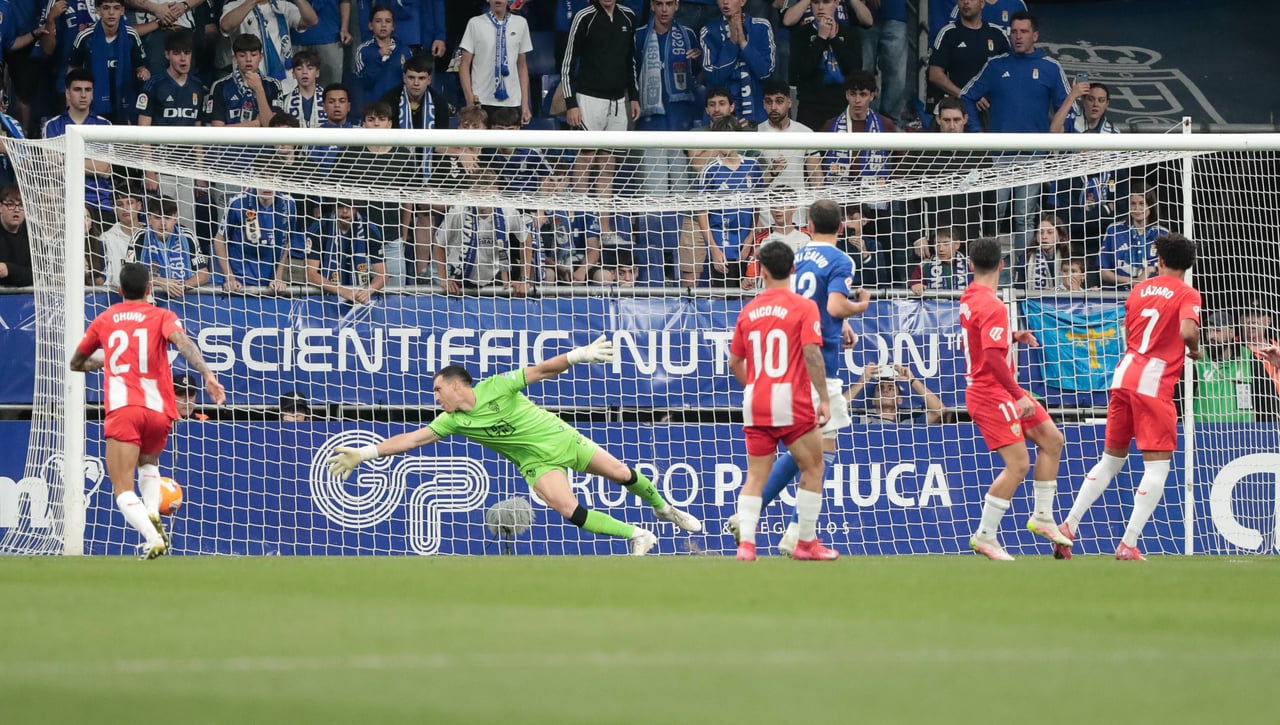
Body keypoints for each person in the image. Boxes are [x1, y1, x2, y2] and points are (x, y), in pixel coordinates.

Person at [325, 340, 703, 555]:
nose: (436, 397)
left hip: (561, 438)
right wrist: (365, 453)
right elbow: (410, 439)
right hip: (535, 463)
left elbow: (541, 370)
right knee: (566, 507)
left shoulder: (497, 385)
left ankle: (664, 509)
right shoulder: (453, 421)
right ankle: (638, 535)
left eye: (439, 390)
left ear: (458, 386)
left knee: (622, 474)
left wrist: (578, 356)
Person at [730, 201, 869, 556]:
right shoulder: (842, 260)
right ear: (841, 227)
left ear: (807, 224)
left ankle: (767, 524)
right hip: (816, 359)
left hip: (782, 367)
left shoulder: (802, 255)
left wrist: (842, 324)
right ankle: (793, 533)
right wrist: (857, 308)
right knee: (821, 451)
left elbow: (808, 299)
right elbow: (833, 305)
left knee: (811, 446)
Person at [1055, 233, 1202, 561]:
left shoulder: (1138, 289)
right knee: (1157, 468)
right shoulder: (1187, 292)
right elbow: (1188, 330)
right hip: (1154, 382)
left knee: (1110, 460)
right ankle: (1129, 543)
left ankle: (1068, 527)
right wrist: (1194, 349)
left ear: (1160, 261)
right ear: (1188, 264)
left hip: (1123, 374)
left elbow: (1129, 329)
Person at [68, 262, 227, 559]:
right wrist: (207, 374)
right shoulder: (162, 315)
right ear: (149, 289)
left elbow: (77, 362)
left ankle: (153, 536)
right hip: (158, 411)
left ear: (119, 291)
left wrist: (109, 359)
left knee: (123, 488)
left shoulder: (105, 319)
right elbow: (183, 342)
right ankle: (152, 511)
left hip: (124, 408)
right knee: (149, 464)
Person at [959, 236, 1071, 561]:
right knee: (1019, 464)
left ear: (970, 266)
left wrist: (1010, 338)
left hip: (994, 388)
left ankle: (1043, 516)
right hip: (991, 391)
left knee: (1052, 440)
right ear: (1002, 266)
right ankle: (985, 536)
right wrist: (1017, 393)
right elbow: (993, 359)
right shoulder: (992, 304)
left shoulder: (970, 296)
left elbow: (983, 340)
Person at [727, 240, 837, 561]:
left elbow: (734, 362)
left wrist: (756, 385)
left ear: (760, 270)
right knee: (814, 466)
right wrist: (825, 399)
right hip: (792, 400)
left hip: (757, 400)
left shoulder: (748, 311)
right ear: (793, 269)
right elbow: (811, 353)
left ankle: (747, 546)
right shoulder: (804, 307)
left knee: (755, 475)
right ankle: (805, 543)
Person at [459, 0, 533, 124]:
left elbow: (522, 66)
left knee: (508, 143)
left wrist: (525, 104)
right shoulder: (475, 23)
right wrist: (469, 98)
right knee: (482, 143)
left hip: (512, 101)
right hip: (481, 99)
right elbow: (464, 65)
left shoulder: (521, 23)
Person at [846, 363, 947, 425]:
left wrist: (912, 380)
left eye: (891, 388)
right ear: (873, 399)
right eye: (880, 388)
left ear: (900, 399)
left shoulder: (908, 425)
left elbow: (939, 411)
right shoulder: (861, 421)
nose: (885, 390)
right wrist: (862, 381)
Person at [0, 187, 33, 288]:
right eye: (10, 204)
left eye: (21, 205)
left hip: (25, 296)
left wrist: (9, 270)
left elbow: (36, 274)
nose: (17, 209)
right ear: (0, 207)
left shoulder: (33, 232)